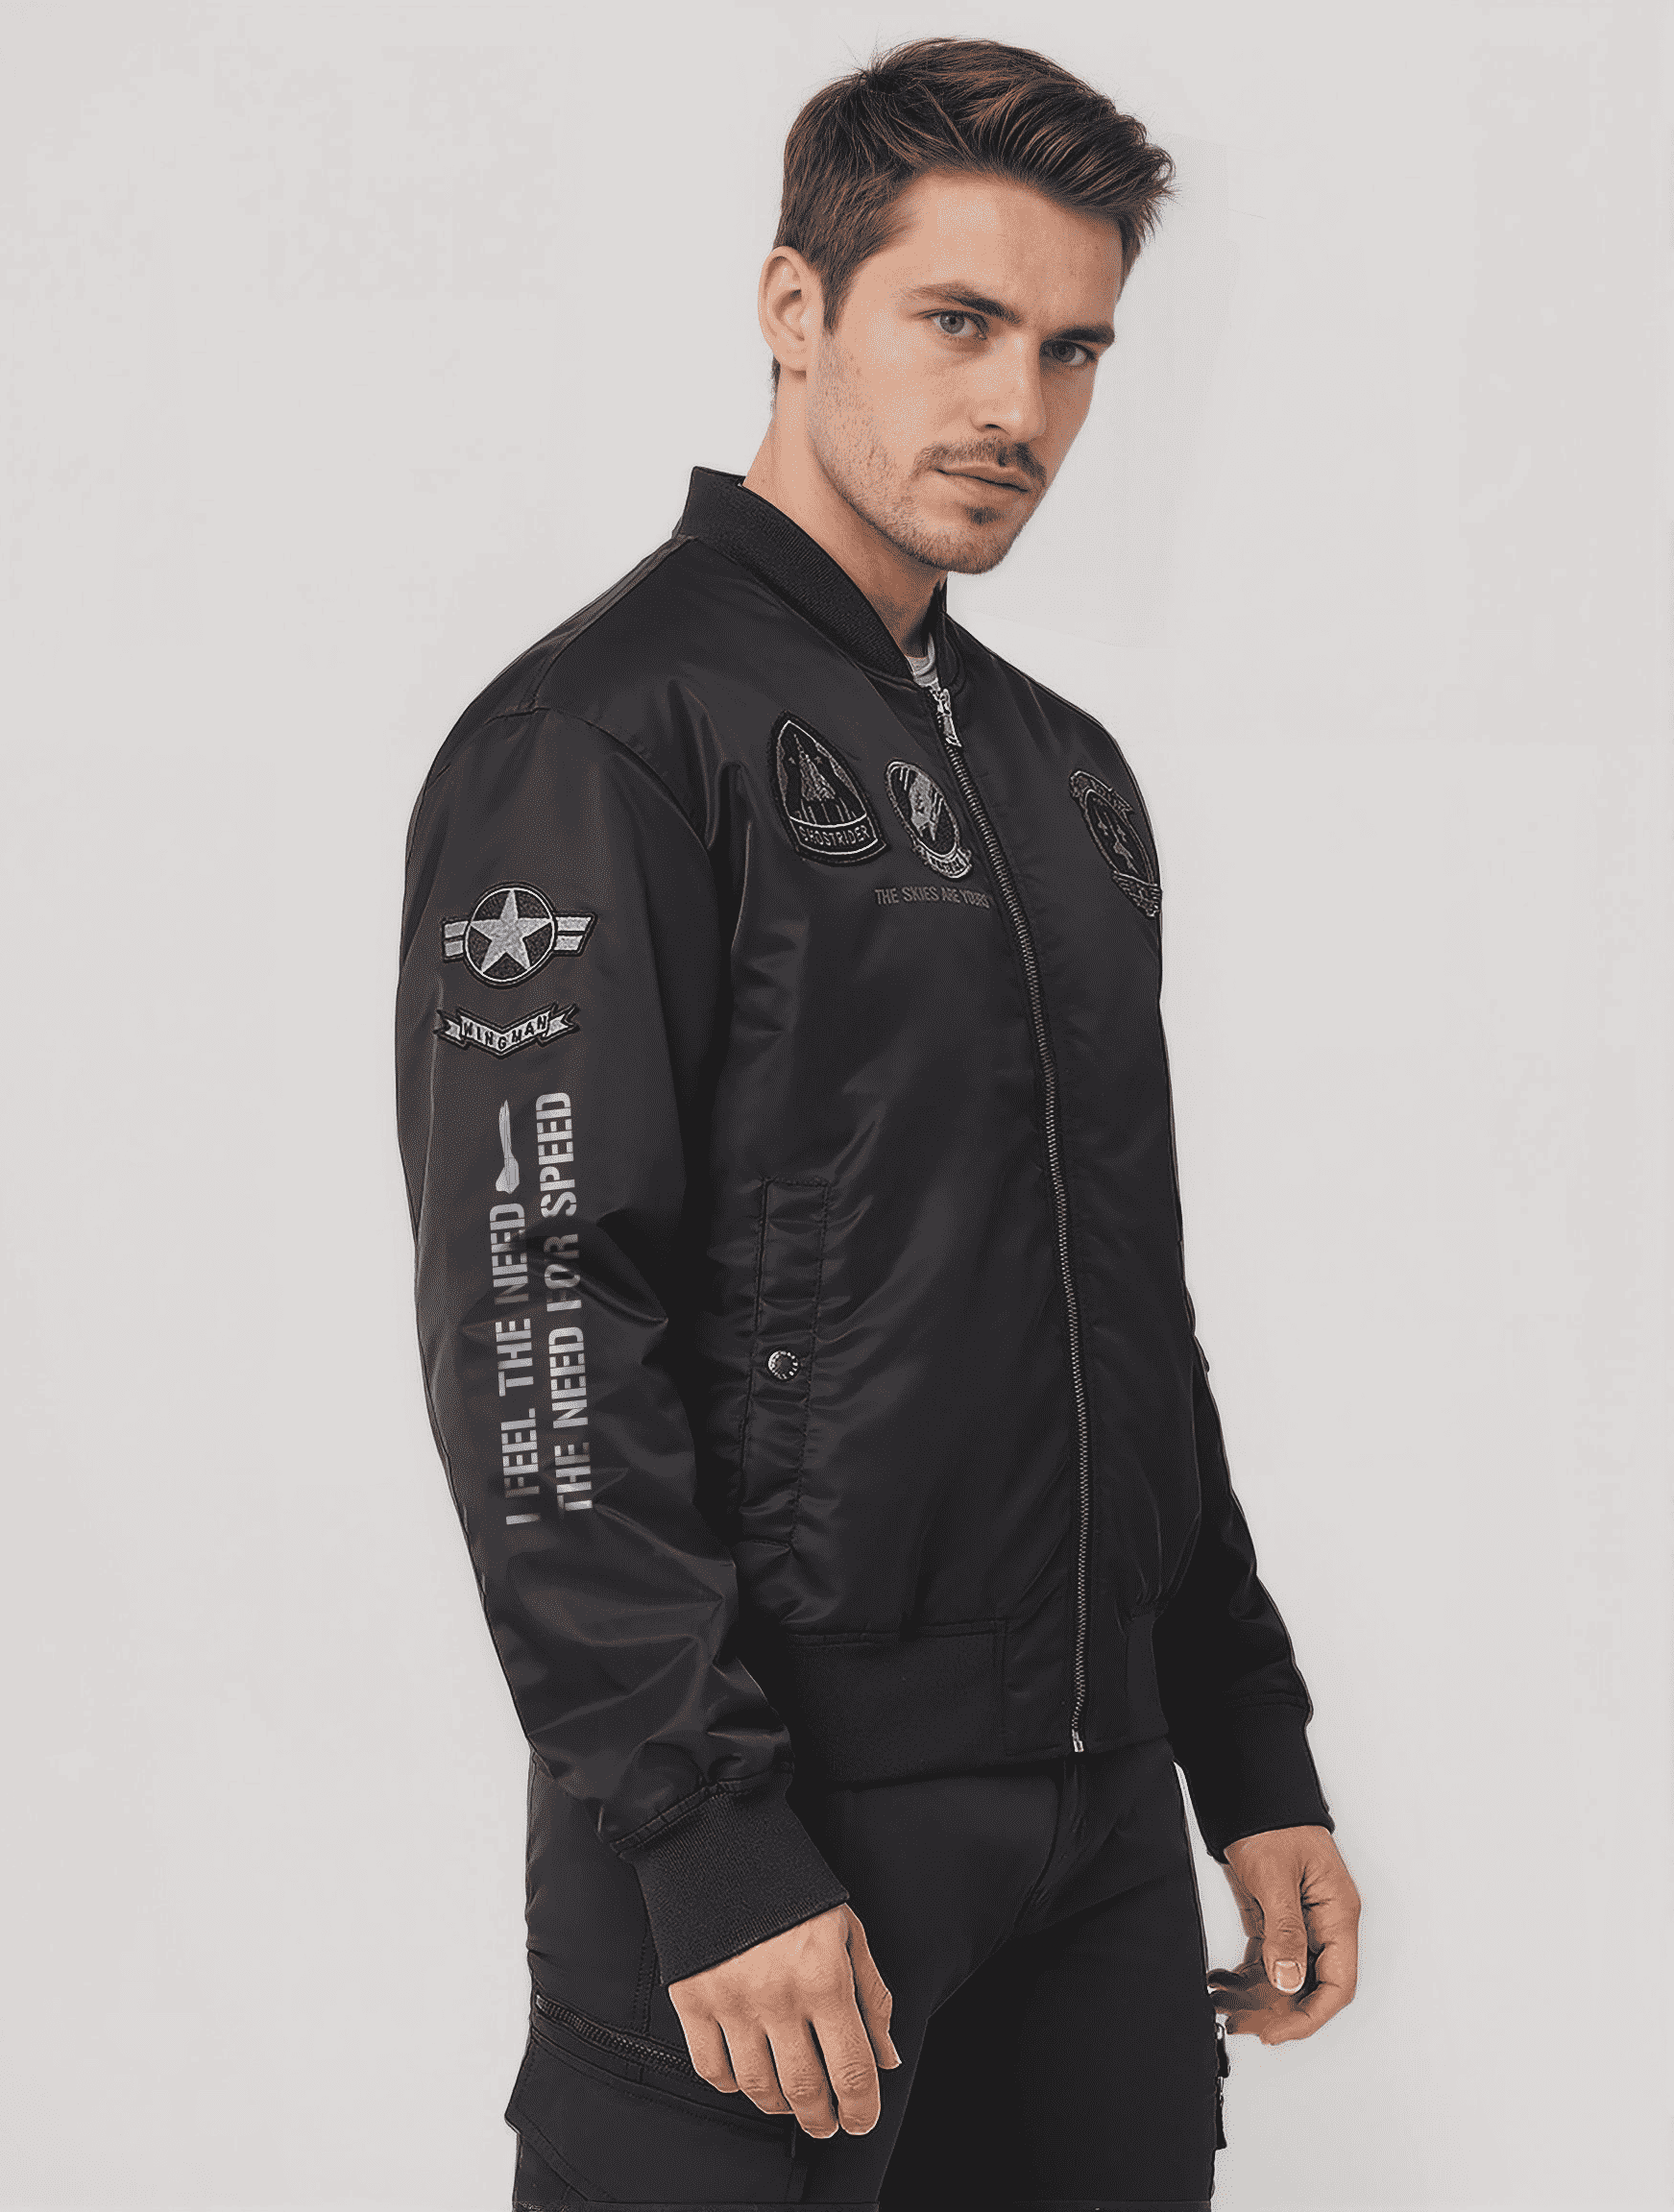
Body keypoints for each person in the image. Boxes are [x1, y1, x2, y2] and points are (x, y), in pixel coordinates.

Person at [396, 34, 1361, 2212]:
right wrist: (703, 1825)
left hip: (1096, 1837)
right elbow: (536, 1316)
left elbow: (1124, 1305)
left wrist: (1245, 1741)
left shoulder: (1064, 774)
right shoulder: (601, 735)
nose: (1019, 406)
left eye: (1072, 348)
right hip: (783, 1842)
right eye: (957, 321)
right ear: (792, 304)